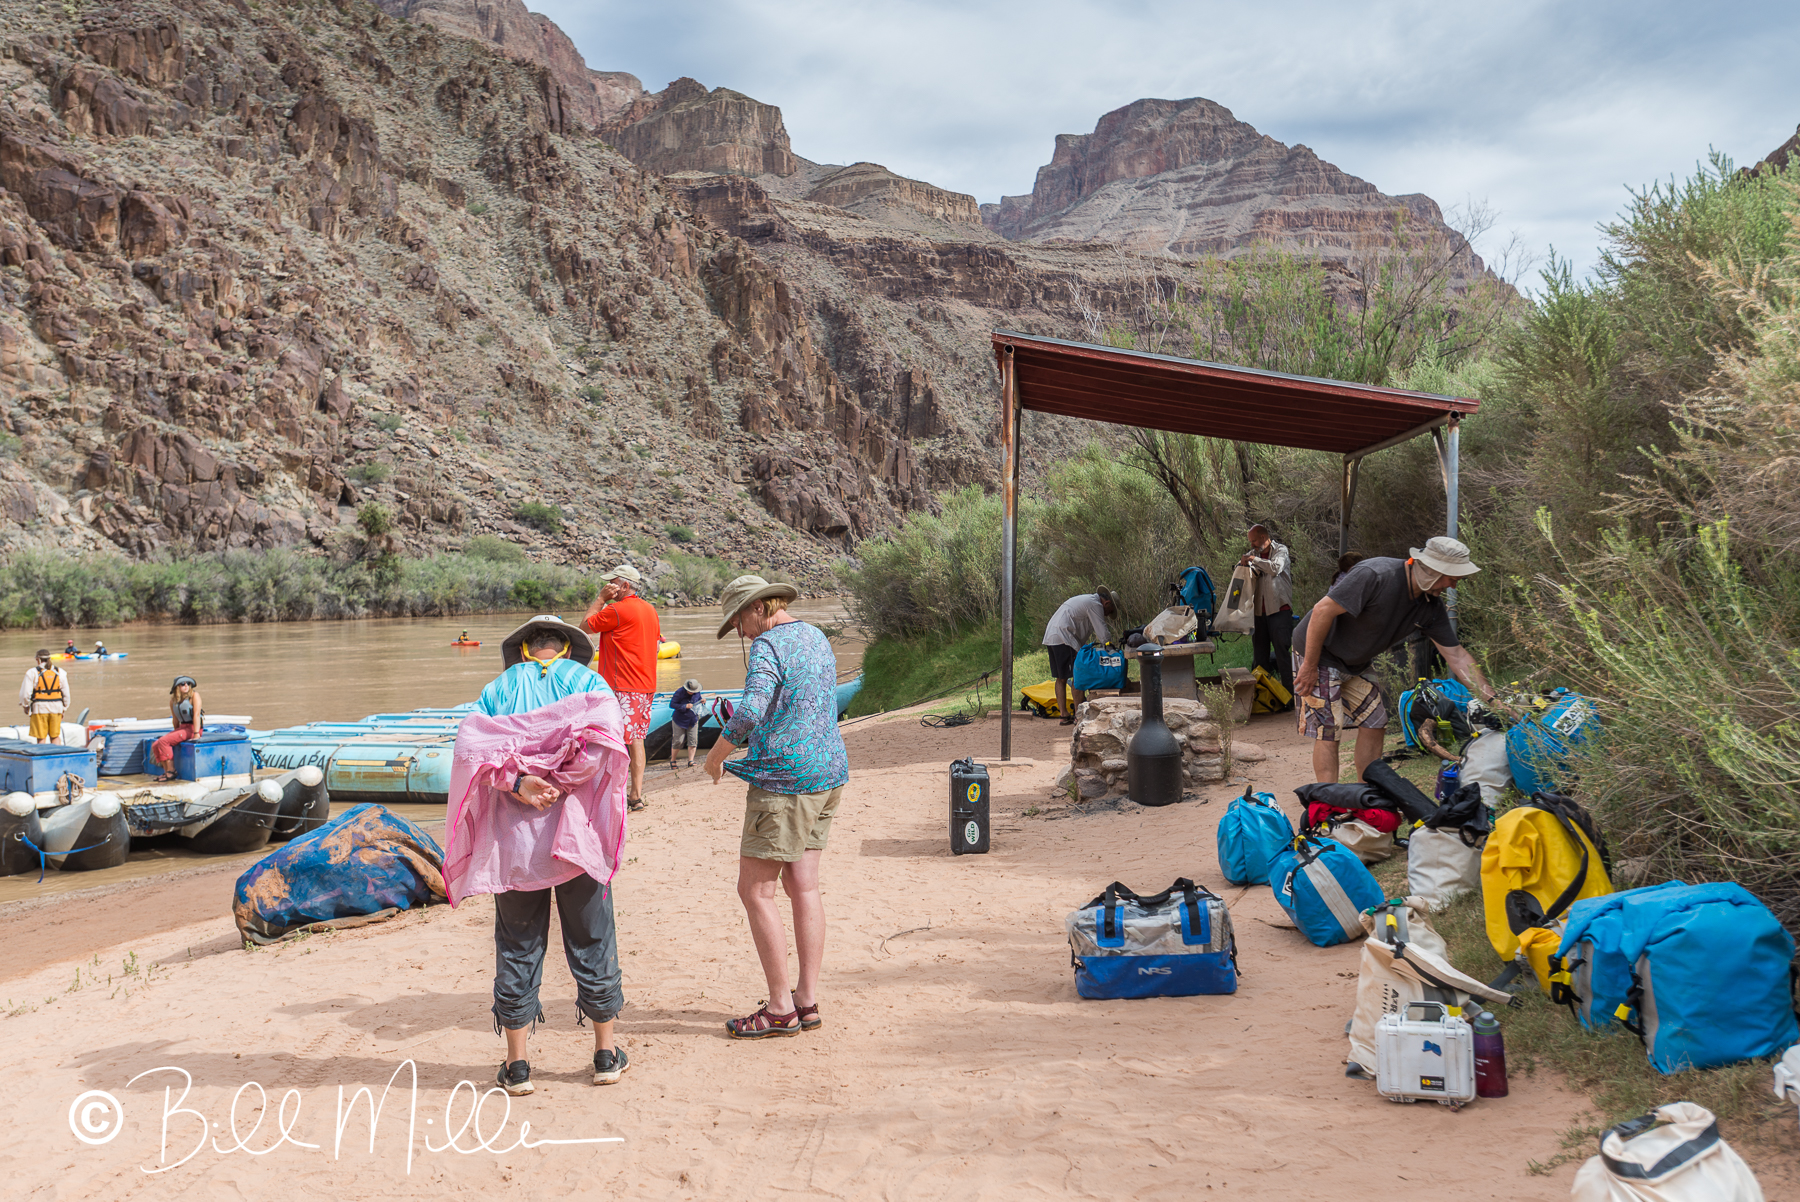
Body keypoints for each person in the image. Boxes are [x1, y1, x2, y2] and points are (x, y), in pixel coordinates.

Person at [445, 614, 632, 1096]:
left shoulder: (497, 690)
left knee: (518, 943)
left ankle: (518, 1065)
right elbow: (606, 743)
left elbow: (471, 751)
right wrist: (561, 782)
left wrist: (521, 782)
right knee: (592, 938)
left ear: (524, 648)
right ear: (567, 647)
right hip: (576, 840)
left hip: (514, 846)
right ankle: (605, 1055)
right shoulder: (590, 683)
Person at [704, 576, 848, 1040]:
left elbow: (751, 709)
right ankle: (806, 999)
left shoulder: (768, 645)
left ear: (760, 607)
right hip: (828, 772)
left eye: (738, 620)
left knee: (755, 891)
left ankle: (781, 1009)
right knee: (804, 886)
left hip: (786, 780)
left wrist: (716, 756)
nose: (740, 631)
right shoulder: (815, 635)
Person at [1292, 537, 1504, 785]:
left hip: (1356, 662)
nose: (1453, 586)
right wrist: (1309, 665)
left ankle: (1365, 794)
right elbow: (1322, 610)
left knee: (1375, 723)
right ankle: (1327, 799)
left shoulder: (1430, 607)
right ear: (1432, 570)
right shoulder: (1376, 575)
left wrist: (1494, 701)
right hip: (1320, 653)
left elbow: (1457, 656)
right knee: (1329, 730)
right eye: (1451, 578)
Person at [584, 564, 662, 811]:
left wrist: (600, 599)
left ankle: (611, 795)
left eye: (613, 583)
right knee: (636, 739)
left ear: (625, 585)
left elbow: (584, 627)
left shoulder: (616, 610)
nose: (609, 587)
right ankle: (635, 795)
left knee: (612, 738)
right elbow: (656, 647)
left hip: (621, 686)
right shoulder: (650, 610)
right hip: (645, 686)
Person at [1041, 587, 1117, 724]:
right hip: (1064, 637)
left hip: (1052, 636)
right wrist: (1111, 648)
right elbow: (1102, 631)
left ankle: (1064, 715)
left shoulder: (1086, 600)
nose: (1106, 615)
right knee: (1078, 676)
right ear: (1107, 603)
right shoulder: (1095, 604)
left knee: (1061, 678)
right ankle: (1078, 715)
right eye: (1109, 612)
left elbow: (1080, 628)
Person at [1241, 523, 1295, 702]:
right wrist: (1242, 564)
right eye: (1251, 542)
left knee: (1282, 655)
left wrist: (1253, 560)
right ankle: (1264, 700)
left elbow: (1275, 568)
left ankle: (1290, 699)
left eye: (1254, 541)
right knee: (1260, 657)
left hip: (1280, 610)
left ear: (1263, 537)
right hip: (1259, 614)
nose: (1252, 545)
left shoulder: (1281, 550)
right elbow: (1241, 572)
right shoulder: (1253, 553)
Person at [148, 676, 203, 780]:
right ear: (177, 687)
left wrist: (196, 734)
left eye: (188, 683)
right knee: (156, 744)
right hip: (182, 728)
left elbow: (196, 715)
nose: (186, 686)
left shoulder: (194, 696)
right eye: (182, 684)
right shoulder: (173, 701)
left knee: (163, 741)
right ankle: (166, 772)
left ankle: (172, 771)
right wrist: (175, 735)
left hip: (193, 728)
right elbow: (175, 720)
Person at [19, 649, 69, 744]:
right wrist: (64, 708)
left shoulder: (32, 672)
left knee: (41, 737)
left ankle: (42, 753)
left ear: (37, 659)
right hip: (57, 707)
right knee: (55, 736)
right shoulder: (60, 672)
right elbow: (66, 693)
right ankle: (57, 752)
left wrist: (25, 705)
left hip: (39, 708)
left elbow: (25, 693)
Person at [669, 677, 705, 770]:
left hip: (693, 719)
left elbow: (698, 700)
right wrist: (684, 706)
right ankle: (673, 760)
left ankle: (691, 760)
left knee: (693, 740)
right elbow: (672, 704)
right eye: (690, 691)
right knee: (678, 741)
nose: (692, 693)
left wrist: (702, 701)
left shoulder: (697, 692)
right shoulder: (679, 692)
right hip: (679, 720)